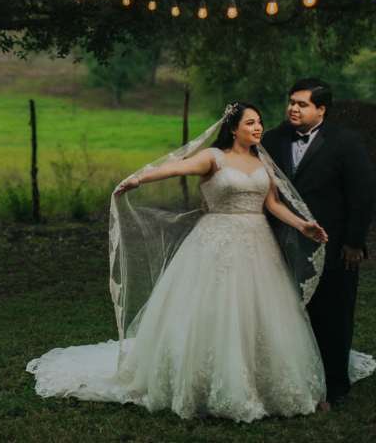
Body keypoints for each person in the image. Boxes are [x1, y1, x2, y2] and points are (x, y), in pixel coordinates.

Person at [26, 102, 374, 422]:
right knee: (212, 309)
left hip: (257, 243)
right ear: (233, 128)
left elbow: (273, 204)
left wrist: (303, 225)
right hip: (214, 242)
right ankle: (200, 381)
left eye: (259, 122)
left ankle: (260, 382)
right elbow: (176, 166)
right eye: (250, 123)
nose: (258, 128)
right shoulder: (214, 157)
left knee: (257, 311)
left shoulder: (263, 162)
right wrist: (137, 178)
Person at [261, 78, 376, 404]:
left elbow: (362, 195)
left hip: (335, 244)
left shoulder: (345, 142)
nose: (293, 108)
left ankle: (335, 385)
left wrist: (354, 242)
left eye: (302, 104)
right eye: (291, 102)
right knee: (288, 311)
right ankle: (292, 378)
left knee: (334, 313)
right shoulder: (271, 139)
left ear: (321, 109)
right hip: (280, 242)